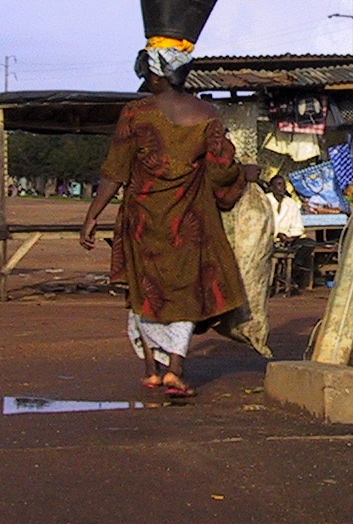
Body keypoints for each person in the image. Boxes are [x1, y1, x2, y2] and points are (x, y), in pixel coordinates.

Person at [80, 48, 247, 398]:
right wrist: (243, 176)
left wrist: (92, 214)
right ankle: (175, 370)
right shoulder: (207, 114)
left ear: (157, 77)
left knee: (145, 292)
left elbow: (115, 170)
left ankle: (151, 370)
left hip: (141, 221)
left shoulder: (136, 113)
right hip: (189, 223)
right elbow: (221, 170)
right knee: (185, 293)